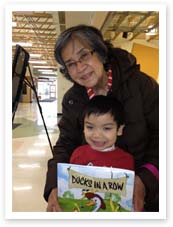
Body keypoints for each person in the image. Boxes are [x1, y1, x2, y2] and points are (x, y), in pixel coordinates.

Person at [44, 24, 159, 212]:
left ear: (99, 52)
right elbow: (66, 143)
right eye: (71, 63)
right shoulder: (73, 99)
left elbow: (163, 137)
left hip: (143, 197)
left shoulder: (142, 86)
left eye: (84, 56)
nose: (80, 68)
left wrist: (144, 180)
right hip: (92, 197)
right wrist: (54, 185)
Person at [70, 95, 134, 171]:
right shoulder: (78, 154)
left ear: (119, 129)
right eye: (90, 127)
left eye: (106, 128)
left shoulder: (126, 161)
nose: (97, 135)